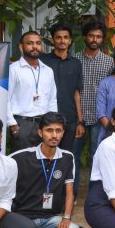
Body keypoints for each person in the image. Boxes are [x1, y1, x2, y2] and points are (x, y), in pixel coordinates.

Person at [9, 112, 82, 228]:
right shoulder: (21, 157)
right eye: (49, 130)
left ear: (63, 133)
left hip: (49, 218)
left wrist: (66, 218)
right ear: (40, 132)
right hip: (25, 220)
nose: (54, 135)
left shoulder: (67, 157)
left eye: (58, 130)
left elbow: (70, 193)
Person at [74, 20, 114, 188]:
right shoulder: (75, 60)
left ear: (102, 39)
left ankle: (95, 191)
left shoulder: (109, 62)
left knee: (96, 155)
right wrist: (78, 118)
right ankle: (72, 192)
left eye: (98, 36)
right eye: (91, 36)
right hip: (78, 115)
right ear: (85, 37)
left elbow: (111, 90)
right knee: (73, 155)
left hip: (99, 117)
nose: (94, 39)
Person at [7, 30, 58, 152]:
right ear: (21, 47)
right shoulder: (13, 70)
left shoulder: (48, 71)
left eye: (38, 43)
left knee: (43, 160)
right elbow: (5, 99)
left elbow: (52, 99)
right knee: (21, 161)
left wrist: (53, 123)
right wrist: (12, 124)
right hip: (22, 124)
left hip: (44, 124)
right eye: (30, 43)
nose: (35, 46)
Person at [40, 22, 85, 152]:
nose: (62, 41)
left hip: (69, 118)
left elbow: (77, 94)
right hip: (46, 116)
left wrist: (80, 121)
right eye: (58, 37)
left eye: (65, 37)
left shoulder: (76, 63)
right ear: (52, 40)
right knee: (45, 153)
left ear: (70, 41)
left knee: (65, 154)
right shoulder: (42, 61)